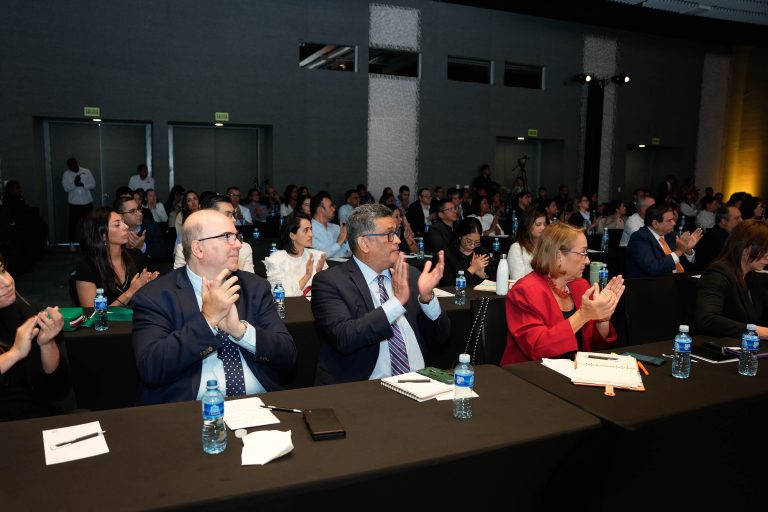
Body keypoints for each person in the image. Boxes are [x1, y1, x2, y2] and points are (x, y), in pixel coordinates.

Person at [132, 209, 297, 405]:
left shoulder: (254, 287)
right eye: (227, 237)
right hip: (192, 408)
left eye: (237, 237)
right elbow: (152, 368)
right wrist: (208, 320)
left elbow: (288, 356)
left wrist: (240, 331)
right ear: (198, 249)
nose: (239, 244)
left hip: (259, 402)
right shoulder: (155, 296)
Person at [311, 204, 450, 384]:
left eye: (396, 233)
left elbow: (440, 340)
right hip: (365, 387)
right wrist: (397, 303)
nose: (398, 240)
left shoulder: (410, 275)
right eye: (390, 234)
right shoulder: (330, 282)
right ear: (364, 243)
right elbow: (345, 338)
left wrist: (427, 299)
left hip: (419, 382)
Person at [500, 223, 624, 365]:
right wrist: (582, 315)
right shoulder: (524, 291)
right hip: (530, 373)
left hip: (576, 371)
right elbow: (538, 349)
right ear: (559, 256)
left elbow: (595, 347)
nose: (588, 260)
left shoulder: (581, 286)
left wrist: (603, 316)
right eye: (583, 253)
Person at [0, 255, 71, 421]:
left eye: (3, 271)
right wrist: (15, 353)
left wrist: (47, 344)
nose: (7, 282)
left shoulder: (27, 312)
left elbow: (57, 390)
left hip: (33, 415)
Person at [696, 219, 768, 339]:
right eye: (764, 250)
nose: (767, 256)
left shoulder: (752, 276)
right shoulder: (717, 273)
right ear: (745, 247)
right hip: (719, 344)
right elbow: (707, 319)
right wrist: (758, 331)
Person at [75, 207, 158, 307]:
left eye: (123, 222)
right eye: (117, 225)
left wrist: (151, 284)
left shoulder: (135, 255)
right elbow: (93, 314)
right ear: (103, 235)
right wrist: (130, 292)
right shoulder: (87, 266)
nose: (126, 226)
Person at [174, 194, 255, 273]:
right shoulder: (187, 248)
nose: (234, 220)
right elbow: (178, 279)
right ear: (209, 217)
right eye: (228, 214)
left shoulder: (243, 248)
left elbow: (250, 280)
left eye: (233, 214)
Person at [625, 204, 702, 278]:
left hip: (682, 279)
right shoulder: (639, 238)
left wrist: (687, 251)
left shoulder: (671, 235)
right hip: (655, 283)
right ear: (655, 223)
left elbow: (687, 266)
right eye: (669, 220)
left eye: (673, 219)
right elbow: (652, 268)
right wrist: (679, 251)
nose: (674, 223)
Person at [264, 216, 328, 297]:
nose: (311, 234)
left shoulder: (317, 256)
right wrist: (307, 275)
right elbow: (282, 295)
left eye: (311, 229)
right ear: (292, 236)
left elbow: (327, 291)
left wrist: (320, 274)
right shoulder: (277, 260)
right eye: (306, 230)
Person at [114, 196, 169, 262]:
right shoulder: (114, 231)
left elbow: (163, 255)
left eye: (139, 209)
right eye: (133, 211)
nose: (140, 214)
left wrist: (142, 247)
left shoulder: (151, 227)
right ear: (120, 216)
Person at [441, 217, 491, 286]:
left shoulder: (482, 253)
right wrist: (472, 269)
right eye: (468, 241)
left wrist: (483, 276)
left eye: (477, 242)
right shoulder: (448, 254)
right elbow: (447, 284)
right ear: (460, 236)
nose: (472, 245)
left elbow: (494, 282)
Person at [694, 205, 743, 271]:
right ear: (723, 221)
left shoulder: (717, 232)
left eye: (741, 217)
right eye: (737, 218)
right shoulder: (720, 237)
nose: (741, 220)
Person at [61, 157, 95, 251]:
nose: (71, 167)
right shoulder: (66, 174)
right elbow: (66, 188)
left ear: (76, 164)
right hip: (74, 203)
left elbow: (93, 185)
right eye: (69, 166)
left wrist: (83, 185)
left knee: (88, 225)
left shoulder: (86, 171)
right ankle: (71, 244)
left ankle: (88, 244)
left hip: (87, 202)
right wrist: (75, 184)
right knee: (72, 224)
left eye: (73, 165)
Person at [507, 208, 547, 280]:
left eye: (544, 224)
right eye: (538, 224)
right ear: (528, 225)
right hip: (527, 286)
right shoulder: (516, 248)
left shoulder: (545, 246)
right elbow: (518, 280)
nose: (543, 227)